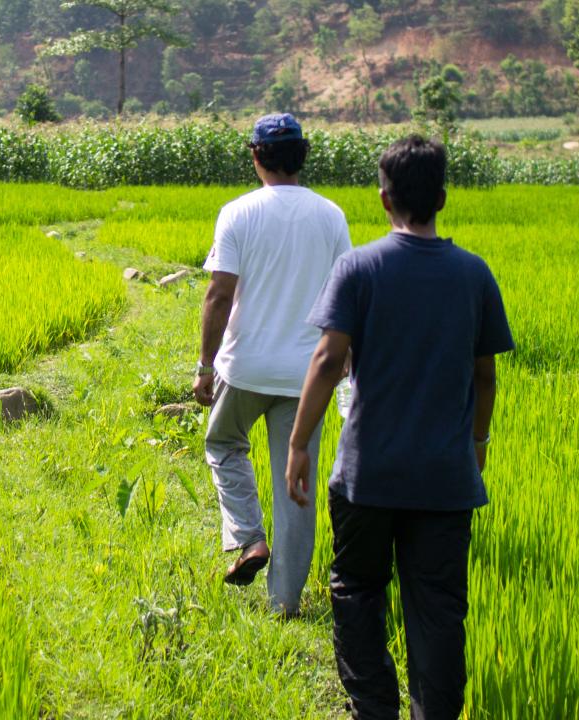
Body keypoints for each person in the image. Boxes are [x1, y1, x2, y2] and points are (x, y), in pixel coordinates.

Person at [284, 135, 514, 719]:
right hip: (445, 479)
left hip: (368, 475)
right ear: (442, 197)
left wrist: (297, 444)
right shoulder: (474, 274)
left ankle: (373, 709)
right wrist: (478, 443)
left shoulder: (359, 268)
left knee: (358, 592)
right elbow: (483, 376)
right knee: (438, 606)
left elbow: (328, 360)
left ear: (383, 199)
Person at [194, 113, 350, 617]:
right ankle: (284, 602)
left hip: (246, 367)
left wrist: (204, 364)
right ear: (303, 155)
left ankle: (248, 538)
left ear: (256, 155)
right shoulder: (331, 216)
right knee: (296, 480)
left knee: (222, 443)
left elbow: (219, 295)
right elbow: (346, 298)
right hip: (308, 375)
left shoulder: (237, 213)